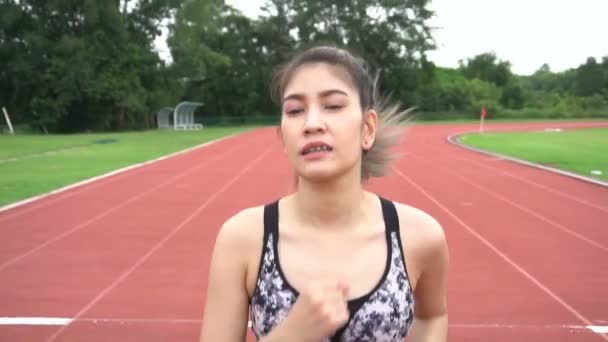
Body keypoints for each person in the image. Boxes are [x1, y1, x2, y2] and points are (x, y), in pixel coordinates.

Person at [199, 45, 449, 342]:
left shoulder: (420, 236)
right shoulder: (243, 238)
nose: (312, 123)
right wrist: (291, 335)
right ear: (283, 137)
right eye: (294, 110)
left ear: (368, 129)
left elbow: (433, 316)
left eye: (332, 106)